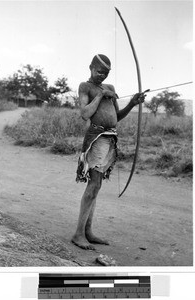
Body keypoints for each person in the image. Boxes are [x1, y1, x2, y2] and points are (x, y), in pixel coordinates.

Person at [72, 54, 147, 250]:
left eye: (106, 73)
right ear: (90, 67)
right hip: (96, 138)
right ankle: (79, 234)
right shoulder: (85, 87)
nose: (102, 76)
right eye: (99, 71)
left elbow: (117, 116)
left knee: (96, 185)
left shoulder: (111, 89)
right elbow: (85, 113)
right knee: (94, 183)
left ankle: (87, 231)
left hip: (109, 138)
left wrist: (132, 103)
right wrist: (99, 95)